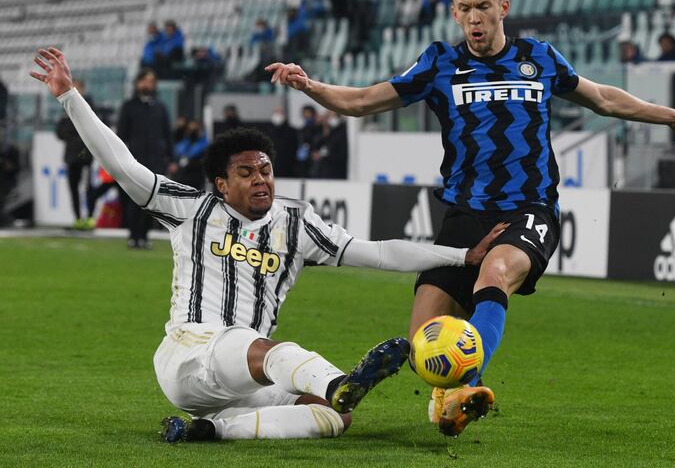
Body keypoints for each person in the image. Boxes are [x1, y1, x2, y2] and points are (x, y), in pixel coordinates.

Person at [267, 0, 675, 437]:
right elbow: (362, 101)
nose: (474, 17)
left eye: (483, 6)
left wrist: (671, 117)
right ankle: (446, 397)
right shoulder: (439, 63)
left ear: (503, 8)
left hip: (529, 208)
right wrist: (309, 86)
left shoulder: (538, 57)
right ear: (455, 13)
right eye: (464, 8)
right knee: (425, 344)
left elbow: (603, 97)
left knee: (495, 271)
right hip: (465, 214)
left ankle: (469, 384)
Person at [30, 46, 505, 443]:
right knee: (278, 352)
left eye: (266, 170)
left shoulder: (296, 222)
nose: (261, 180)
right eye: (246, 173)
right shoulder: (192, 209)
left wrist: (462, 256)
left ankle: (211, 431)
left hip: (240, 380)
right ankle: (343, 382)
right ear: (221, 182)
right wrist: (70, 95)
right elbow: (123, 162)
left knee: (331, 417)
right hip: (190, 352)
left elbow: (378, 252)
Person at [117, 69, 173, 249]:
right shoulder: (128, 106)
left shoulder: (160, 107)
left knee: (153, 200)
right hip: (134, 160)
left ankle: (145, 235)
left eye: (151, 81)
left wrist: (171, 158)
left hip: (156, 160)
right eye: (144, 81)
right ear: (137, 83)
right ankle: (133, 235)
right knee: (134, 199)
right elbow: (120, 136)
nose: (147, 85)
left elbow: (168, 134)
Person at [55, 79, 95, 230]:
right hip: (71, 157)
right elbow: (59, 132)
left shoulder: (89, 109)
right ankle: (78, 218)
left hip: (85, 156)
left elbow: (90, 131)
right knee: (74, 188)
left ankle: (89, 217)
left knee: (87, 188)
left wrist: (74, 137)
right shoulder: (66, 108)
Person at [310, 112, 347, 179]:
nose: (328, 119)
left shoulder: (342, 133)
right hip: (324, 172)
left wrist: (323, 157)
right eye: (327, 117)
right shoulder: (329, 132)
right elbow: (318, 146)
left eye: (331, 117)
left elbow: (341, 155)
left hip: (336, 173)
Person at [173, 119, 209, 190]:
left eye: (195, 129)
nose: (191, 131)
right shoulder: (185, 143)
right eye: (190, 129)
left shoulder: (204, 145)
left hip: (196, 179)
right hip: (182, 179)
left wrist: (189, 162)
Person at [264, 105, 298, 178]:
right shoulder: (266, 131)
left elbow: (293, 149)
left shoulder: (292, 131)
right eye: (276, 112)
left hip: (287, 168)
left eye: (280, 112)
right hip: (269, 167)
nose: (278, 115)